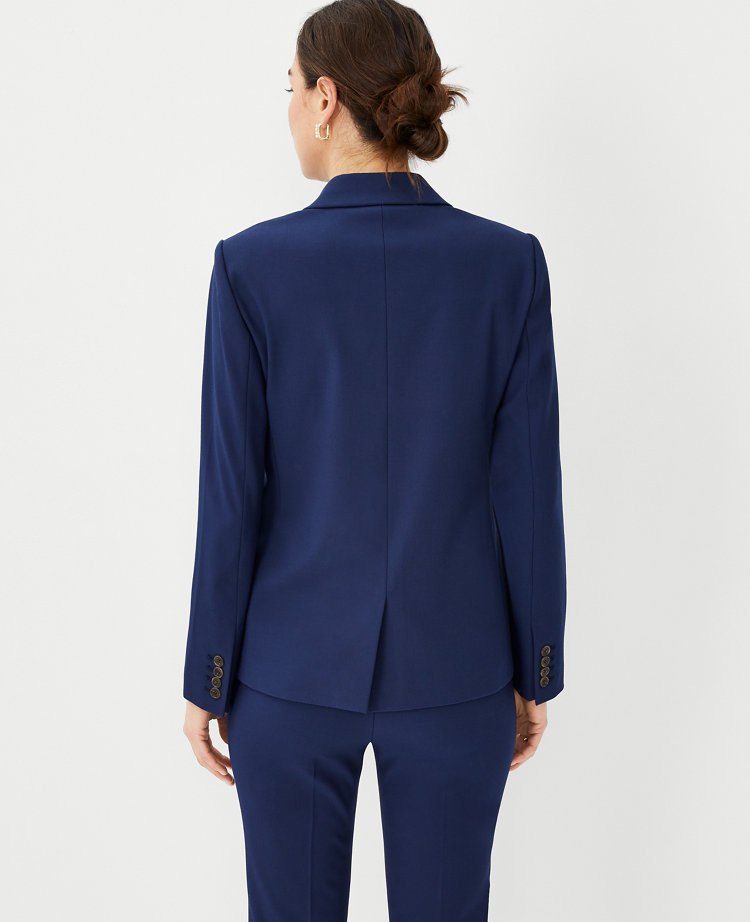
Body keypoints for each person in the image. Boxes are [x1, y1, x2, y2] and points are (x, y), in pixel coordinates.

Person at [182, 0, 566, 918]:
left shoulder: (251, 267)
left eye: (289, 89)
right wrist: (536, 666)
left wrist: (209, 673)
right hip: (460, 670)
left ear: (325, 100)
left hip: (287, 672)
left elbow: (232, 496)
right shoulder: (507, 265)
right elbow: (528, 489)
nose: (288, 111)